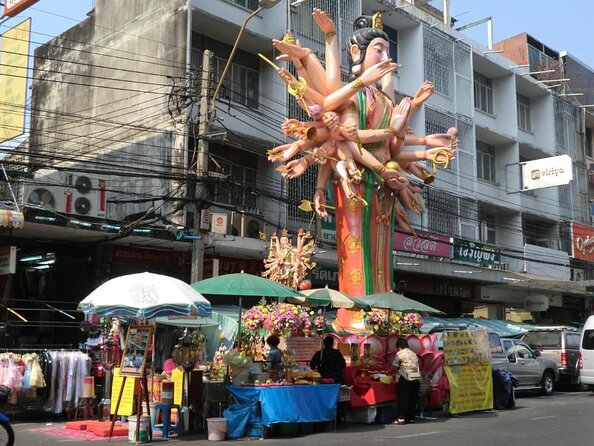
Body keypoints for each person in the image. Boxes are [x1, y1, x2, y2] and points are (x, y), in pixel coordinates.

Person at [392, 338, 421, 425]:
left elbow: (395, 366)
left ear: (399, 346)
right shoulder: (413, 353)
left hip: (406, 377)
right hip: (416, 378)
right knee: (413, 398)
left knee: (403, 398)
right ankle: (411, 417)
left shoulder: (400, 353)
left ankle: (401, 418)